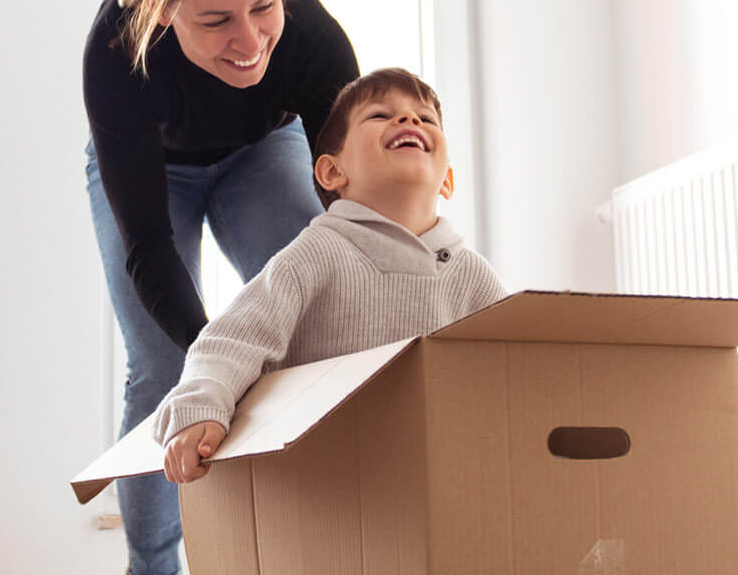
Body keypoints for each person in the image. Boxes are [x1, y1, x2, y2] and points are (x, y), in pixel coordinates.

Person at [84, 0, 359, 575]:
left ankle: (257, 574)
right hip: (152, 172)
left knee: (303, 334)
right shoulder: (117, 50)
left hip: (262, 152)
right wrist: (212, 360)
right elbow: (147, 246)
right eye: (215, 20)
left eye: (262, 7)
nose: (249, 40)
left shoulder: (306, 31)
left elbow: (357, 201)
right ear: (161, 9)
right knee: (166, 360)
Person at [153, 67, 506, 490]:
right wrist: (201, 407)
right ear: (331, 173)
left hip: (433, 481)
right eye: (381, 115)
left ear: (446, 180)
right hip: (323, 485)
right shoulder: (317, 254)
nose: (409, 121)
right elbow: (233, 339)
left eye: (425, 119)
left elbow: (517, 368)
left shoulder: (470, 275)